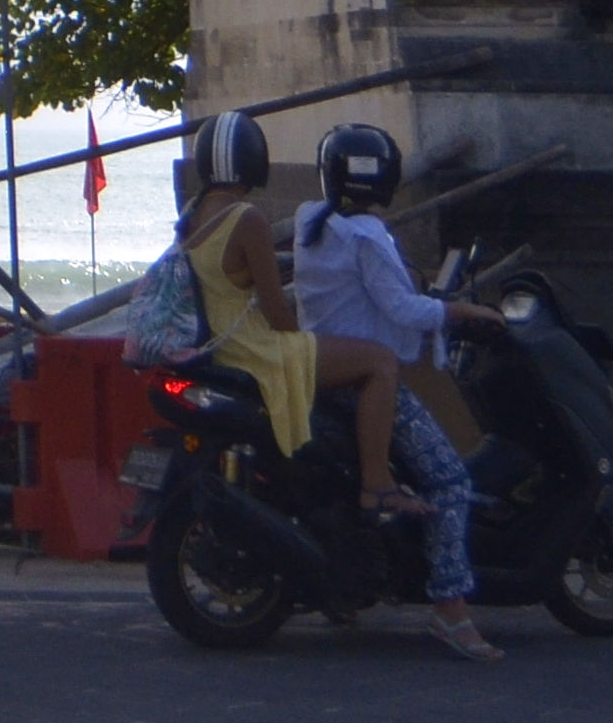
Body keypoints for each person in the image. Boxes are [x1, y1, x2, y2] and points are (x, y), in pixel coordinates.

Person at [293, 122, 512, 663]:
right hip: (366, 382)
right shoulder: (366, 236)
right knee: (449, 480)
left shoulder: (314, 224)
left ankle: (351, 586)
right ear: (385, 178)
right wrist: (463, 311)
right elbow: (402, 309)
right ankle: (451, 609)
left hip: (325, 371)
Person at [172, 111, 427, 528]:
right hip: (253, 351)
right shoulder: (246, 219)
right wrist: (311, 344)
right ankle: (378, 483)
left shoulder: (192, 214)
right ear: (253, 160)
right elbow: (277, 312)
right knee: (380, 360)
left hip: (216, 347)